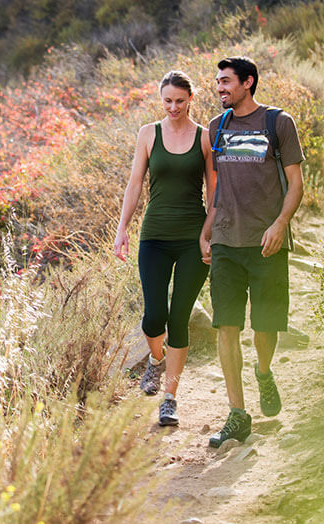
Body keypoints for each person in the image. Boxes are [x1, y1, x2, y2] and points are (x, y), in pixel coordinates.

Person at [199, 56, 304, 448]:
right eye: (218, 82)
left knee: (265, 326)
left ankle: (263, 371)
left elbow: (296, 184)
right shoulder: (216, 127)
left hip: (266, 244)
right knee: (226, 325)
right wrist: (206, 231)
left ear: (248, 82)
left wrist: (280, 225)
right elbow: (217, 187)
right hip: (226, 241)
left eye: (226, 82)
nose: (220, 88)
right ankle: (237, 414)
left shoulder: (279, 123)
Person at [114, 70, 215, 427]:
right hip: (154, 236)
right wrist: (122, 228)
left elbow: (215, 195)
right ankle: (155, 362)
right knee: (154, 316)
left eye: (180, 100)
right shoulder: (148, 134)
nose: (173, 107)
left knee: (179, 317)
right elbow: (135, 183)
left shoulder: (205, 138)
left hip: (192, 240)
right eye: (167, 101)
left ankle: (170, 398)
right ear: (161, 100)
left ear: (191, 99)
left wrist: (207, 235)